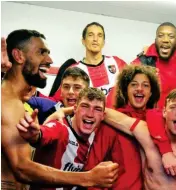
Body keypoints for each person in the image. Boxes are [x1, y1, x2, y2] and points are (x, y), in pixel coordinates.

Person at [2, 29, 117, 189]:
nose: (49, 60)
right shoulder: (9, 102)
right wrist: (88, 178)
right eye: (41, 52)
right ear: (19, 56)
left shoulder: (17, 101)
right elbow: (22, 169)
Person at [16, 88, 120, 190]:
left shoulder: (98, 137)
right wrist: (35, 135)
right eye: (85, 106)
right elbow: (45, 133)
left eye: (97, 109)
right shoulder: (60, 127)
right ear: (75, 109)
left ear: (103, 116)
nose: (90, 114)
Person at [49, 22, 127, 100]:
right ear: (83, 41)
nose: (95, 39)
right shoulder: (74, 69)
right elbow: (57, 100)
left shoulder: (117, 62)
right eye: (90, 35)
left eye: (99, 35)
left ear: (103, 42)